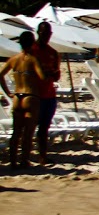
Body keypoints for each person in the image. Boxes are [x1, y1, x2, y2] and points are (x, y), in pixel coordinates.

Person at [0, 30, 47, 170]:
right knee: (28, 132)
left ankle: (13, 161)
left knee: (16, 132)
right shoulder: (33, 59)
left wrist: (8, 92)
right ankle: (24, 160)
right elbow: (42, 77)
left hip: (17, 97)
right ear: (33, 43)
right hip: (31, 96)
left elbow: (0, 75)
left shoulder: (13, 59)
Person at [32, 21, 61, 166]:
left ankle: (42, 156)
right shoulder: (31, 51)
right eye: (43, 34)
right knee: (29, 128)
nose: (46, 37)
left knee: (44, 128)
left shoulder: (53, 53)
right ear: (38, 33)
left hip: (49, 95)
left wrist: (51, 73)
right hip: (35, 95)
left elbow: (57, 75)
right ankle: (25, 156)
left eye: (48, 34)